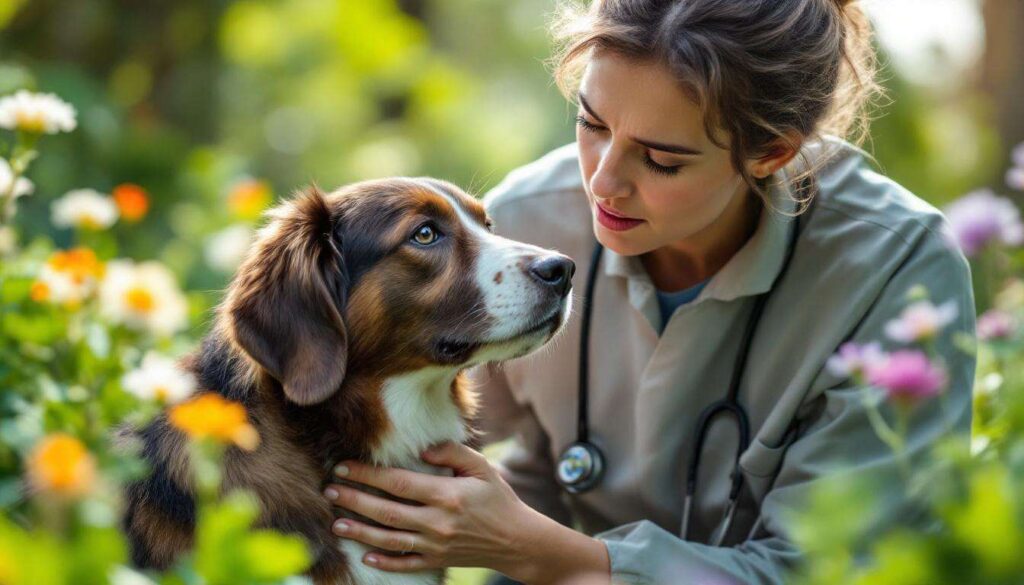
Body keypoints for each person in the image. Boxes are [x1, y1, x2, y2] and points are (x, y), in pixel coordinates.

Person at [320, 0, 977, 583]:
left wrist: (552, 556)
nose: (602, 182)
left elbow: (850, 567)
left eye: (661, 159)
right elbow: (354, 410)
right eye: (591, 122)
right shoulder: (523, 221)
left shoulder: (896, 266)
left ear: (772, 153)